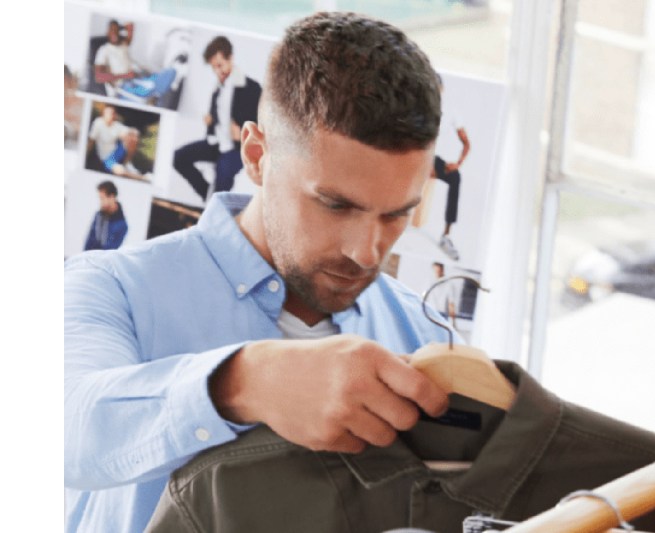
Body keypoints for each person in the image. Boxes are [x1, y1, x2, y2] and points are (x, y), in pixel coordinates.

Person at [65, 12, 452, 532]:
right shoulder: (111, 287)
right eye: (335, 205)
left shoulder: (424, 335)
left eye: (397, 213)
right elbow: (64, 428)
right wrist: (244, 382)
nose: (367, 252)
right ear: (255, 155)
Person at [172, 36, 262, 203]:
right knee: (178, 157)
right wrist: (210, 123)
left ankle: (216, 204)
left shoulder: (252, 87)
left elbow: (263, 124)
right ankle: (208, 195)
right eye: (214, 67)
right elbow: (219, 120)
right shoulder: (217, 89)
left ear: (231, 58)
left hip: (237, 149)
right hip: (215, 144)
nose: (217, 71)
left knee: (223, 173)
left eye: (220, 65)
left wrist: (242, 131)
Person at [431, 74, 470, 261]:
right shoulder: (415, 107)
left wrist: (458, 163)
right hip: (413, 157)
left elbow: (466, 143)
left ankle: (446, 234)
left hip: (432, 160)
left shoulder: (450, 112)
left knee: (456, 178)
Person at [84, 180, 128, 251]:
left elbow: (109, 251)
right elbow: (89, 240)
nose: (100, 202)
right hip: (89, 258)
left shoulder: (122, 226)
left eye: (102, 198)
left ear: (111, 197)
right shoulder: (98, 215)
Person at [86, 104, 128, 172]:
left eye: (112, 113)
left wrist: (125, 136)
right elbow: (91, 140)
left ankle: (127, 163)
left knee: (132, 138)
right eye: (108, 113)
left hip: (116, 152)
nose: (110, 115)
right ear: (103, 114)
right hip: (106, 157)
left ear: (114, 115)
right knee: (120, 171)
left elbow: (127, 133)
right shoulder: (98, 123)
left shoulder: (117, 125)